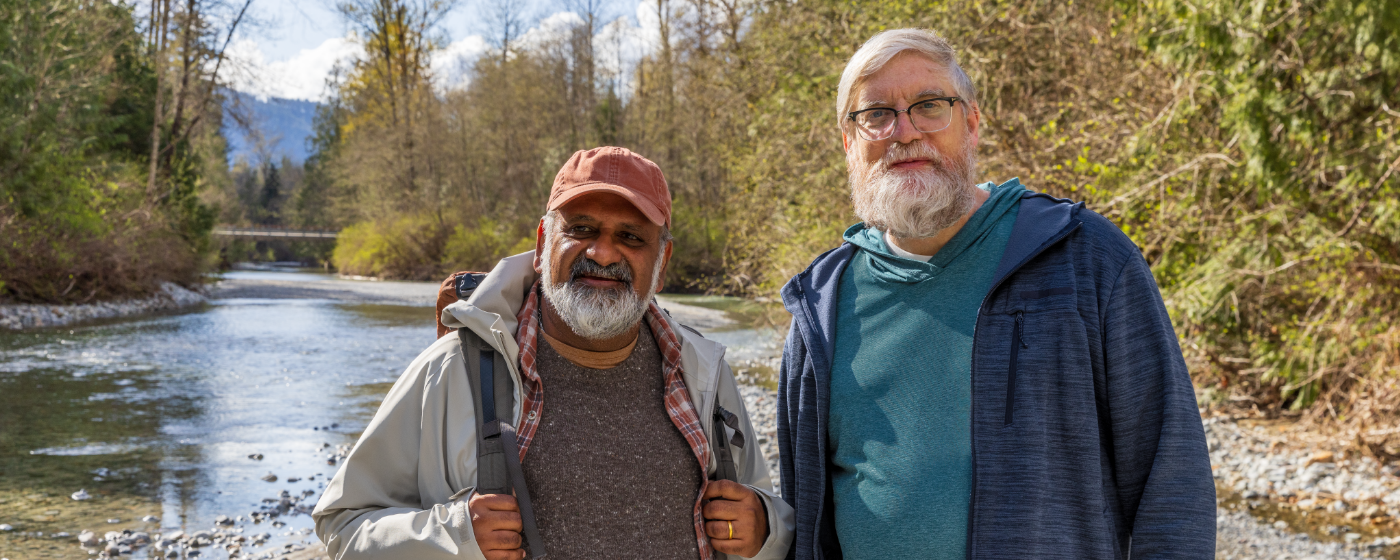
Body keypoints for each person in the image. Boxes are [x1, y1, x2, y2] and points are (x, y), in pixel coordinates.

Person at [774, 29, 1215, 559]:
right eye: (876, 114)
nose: (905, 132)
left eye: (929, 106)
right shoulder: (820, 306)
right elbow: (806, 512)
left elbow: (1172, 476)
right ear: (849, 142)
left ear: (973, 124)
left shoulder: (1086, 260)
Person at [314, 146, 794, 560]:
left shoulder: (705, 376)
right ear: (544, 243)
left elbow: (769, 519)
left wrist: (765, 529)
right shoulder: (453, 369)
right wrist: (455, 535)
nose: (603, 253)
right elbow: (343, 525)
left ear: (662, 262)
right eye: (581, 228)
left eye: (630, 237)